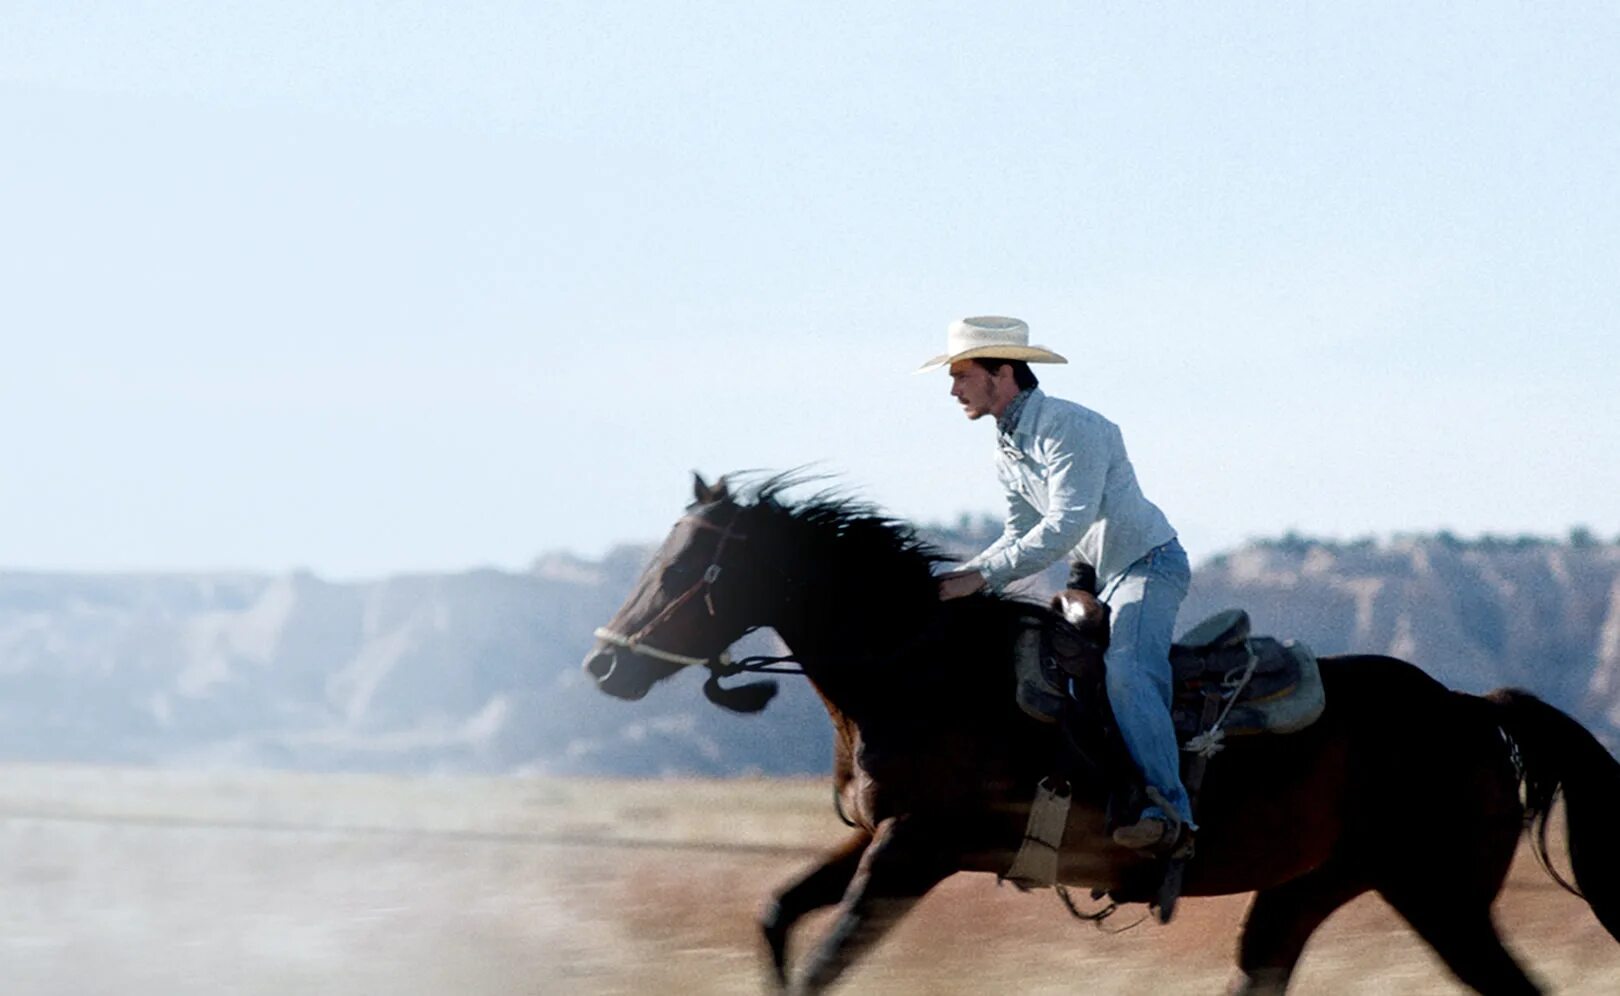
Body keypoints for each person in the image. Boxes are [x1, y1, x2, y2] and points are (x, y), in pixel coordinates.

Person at [919, 315, 1194, 850]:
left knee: (1128, 673)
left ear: (1002, 373)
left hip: (1147, 565)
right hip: (1099, 575)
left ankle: (1169, 810)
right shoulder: (1008, 446)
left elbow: (1065, 524)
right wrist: (957, 579)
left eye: (962, 374)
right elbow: (1020, 532)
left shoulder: (1070, 427)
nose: (953, 390)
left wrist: (979, 578)